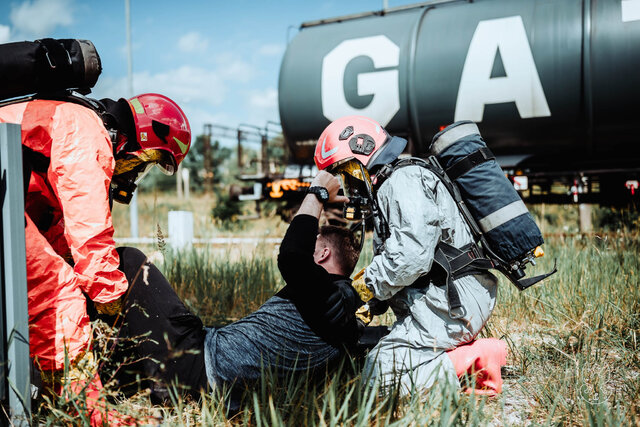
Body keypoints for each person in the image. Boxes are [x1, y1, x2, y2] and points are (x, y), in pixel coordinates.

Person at [98, 170, 373, 413]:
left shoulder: (323, 293)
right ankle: (104, 374)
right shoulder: (341, 315)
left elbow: (292, 255)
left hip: (194, 364)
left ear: (323, 253)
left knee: (129, 260)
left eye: (313, 240)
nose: (306, 240)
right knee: (122, 360)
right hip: (207, 384)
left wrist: (318, 190)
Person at [0, 92, 191, 425]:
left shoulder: (69, 123)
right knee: (56, 292)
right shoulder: (86, 131)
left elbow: (59, 234)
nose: (134, 175)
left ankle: (49, 395)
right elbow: (91, 239)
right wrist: (112, 303)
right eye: (143, 165)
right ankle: (87, 413)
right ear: (142, 139)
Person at [313, 115, 507, 396]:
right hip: (442, 299)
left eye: (344, 172)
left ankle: (474, 362)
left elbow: (410, 257)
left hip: (454, 302)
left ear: (363, 152)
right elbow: (398, 260)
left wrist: (359, 291)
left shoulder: (403, 180)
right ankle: (462, 356)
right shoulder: (391, 187)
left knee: (376, 380)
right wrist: (368, 306)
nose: (345, 186)